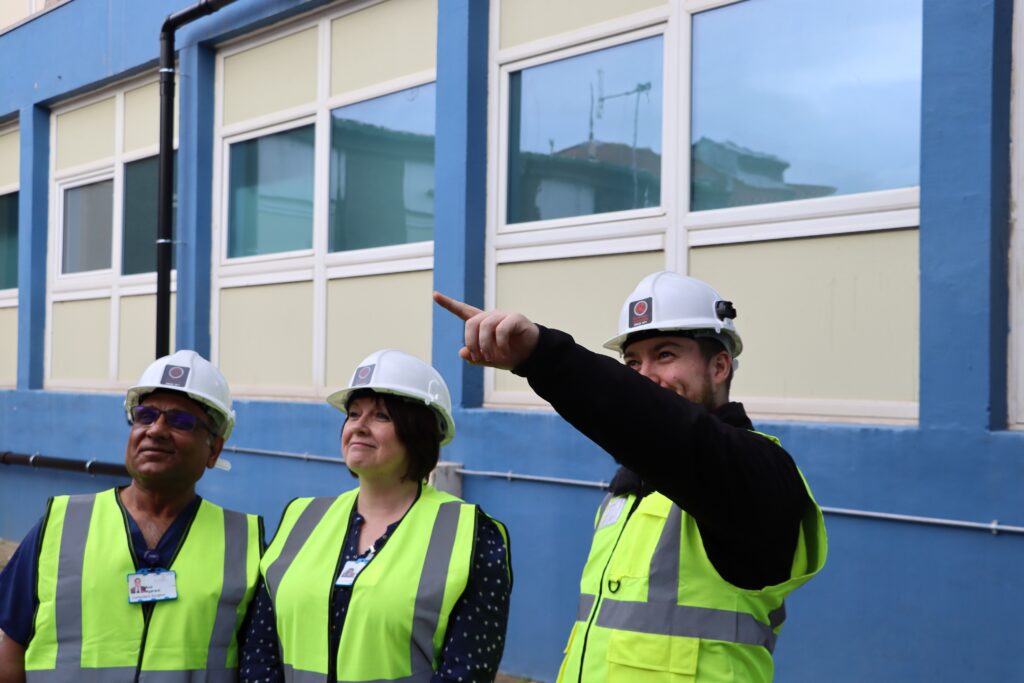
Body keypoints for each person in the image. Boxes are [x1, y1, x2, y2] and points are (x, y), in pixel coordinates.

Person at [434, 271, 827, 683]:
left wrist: (543, 355)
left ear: (719, 366)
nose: (644, 375)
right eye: (633, 362)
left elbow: (669, 429)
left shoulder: (756, 471)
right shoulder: (629, 490)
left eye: (666, 355)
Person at [241, 349, 512, 683]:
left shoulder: (471, 534)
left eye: (381, 416)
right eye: (354, 414)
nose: (359, 427)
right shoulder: (301, 518)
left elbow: (466, 670)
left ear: (420, 432)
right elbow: (260, 650)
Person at [0, 350, 262, 683]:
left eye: (181, 421)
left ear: (213, 450)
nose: (156, 430)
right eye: (145, 415)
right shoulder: (61, 525)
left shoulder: (245, 544)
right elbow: (11, 647)